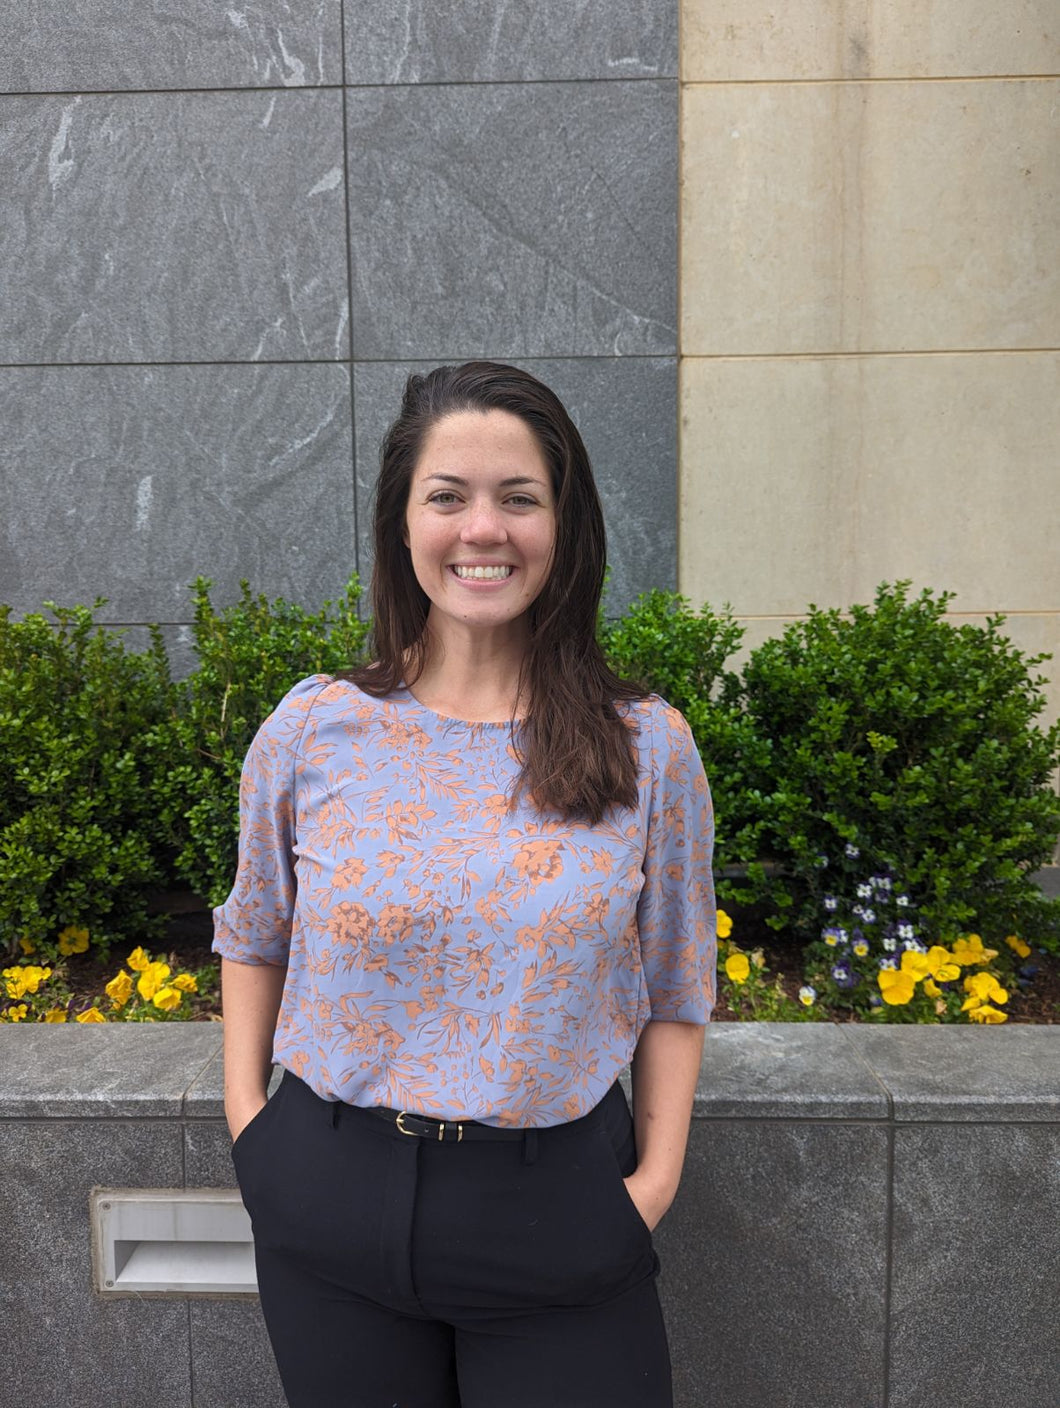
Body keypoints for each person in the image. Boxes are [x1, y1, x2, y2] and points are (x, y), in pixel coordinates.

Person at [214, 361, 717, 1408]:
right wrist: (252, 1124)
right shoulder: (312, 729)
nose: (481, 529)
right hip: (329, 1195)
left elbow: (675, 982)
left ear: (563, 527)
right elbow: (255, 933)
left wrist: (651, 1184)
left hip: (557, 1212)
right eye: (447, 496)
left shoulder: (648, 746)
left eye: (518, 498)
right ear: (403, 523)